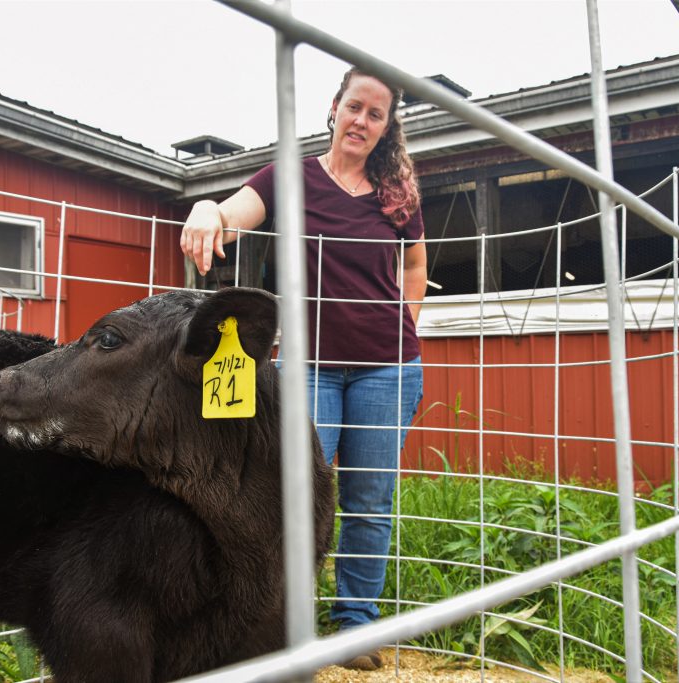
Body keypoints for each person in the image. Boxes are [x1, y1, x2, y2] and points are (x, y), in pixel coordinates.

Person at [180, 66, 427, 671]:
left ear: (387, 126)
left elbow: (416, 265)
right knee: (293, 497)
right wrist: (210, 210)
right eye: (355, 107)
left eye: (376, 113)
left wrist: (407, 322)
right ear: (335, 107)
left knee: (370, 500)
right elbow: (238, 211)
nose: (362, 121)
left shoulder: (397, 195)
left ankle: (355, 624)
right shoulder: (290, 178)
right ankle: (288, 625)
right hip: (308, 366)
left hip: (386, 372)